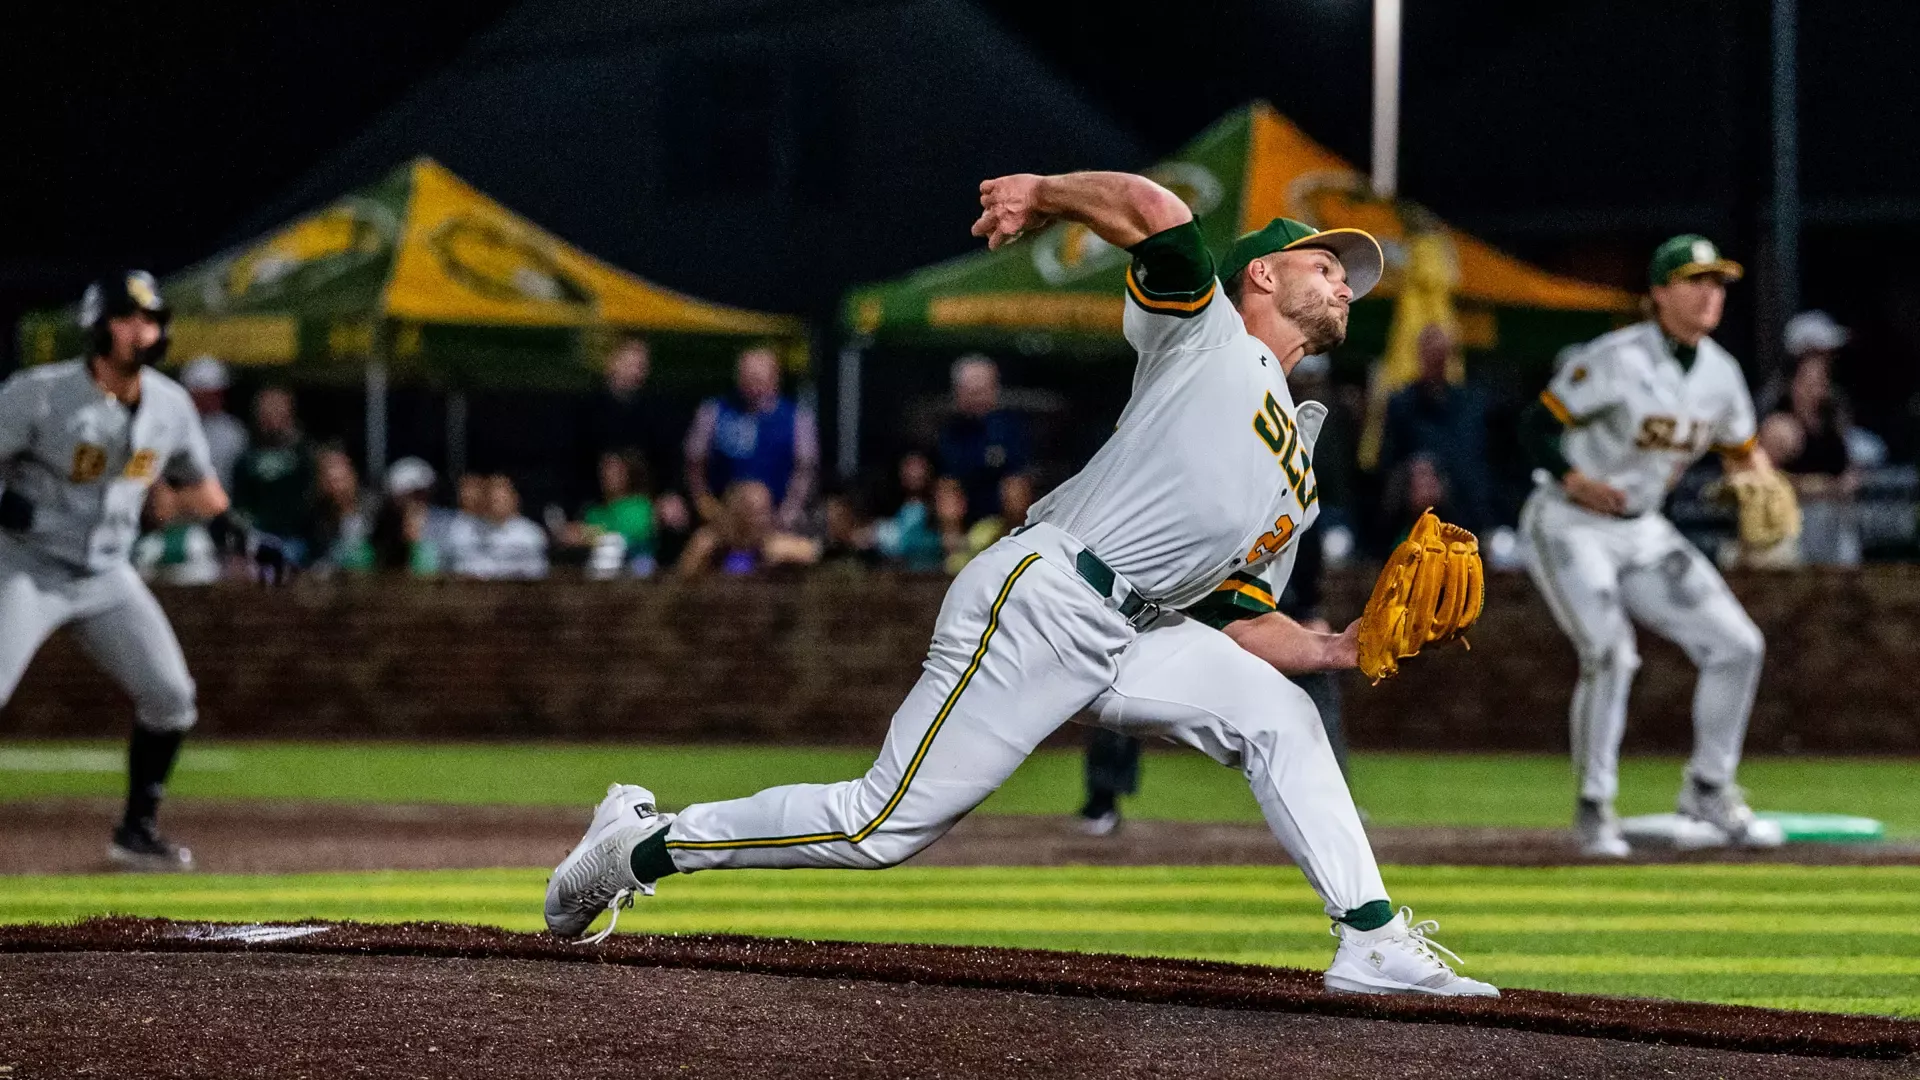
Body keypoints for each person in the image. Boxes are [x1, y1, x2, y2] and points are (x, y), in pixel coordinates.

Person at [547, 170, 1496, 998]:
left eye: (1346, 274)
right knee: (881, 826)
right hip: (1047, 599)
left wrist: (1334, 647)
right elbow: (1151, 207)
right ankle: (640, 843)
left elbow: (1239, 617)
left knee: (1277, 714)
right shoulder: (1205, 333)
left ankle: (1372, 939)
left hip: (1136, 634)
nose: (1343, 281)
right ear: (1263, 274)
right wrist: (1042, 196)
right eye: (1324, 263)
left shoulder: (1302, 466)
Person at [0, 271, 283, 871]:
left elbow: (198, 486)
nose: (142, 331)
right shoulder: (39, 393)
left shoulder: (171, 404)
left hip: (106, 572)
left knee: (172, 698)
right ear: (97, 327)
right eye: (128, 319)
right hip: (26, 564)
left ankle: (136, 831)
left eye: (150, 320)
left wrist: (244, 539)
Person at [1516, 235, 1784, 858]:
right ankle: (1594, 807)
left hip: (1644, 529)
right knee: (1612, 654)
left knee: (1738, 645)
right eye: (1696, 280)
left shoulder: (1721, 373)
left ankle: (1709, 789)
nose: (1711, 294)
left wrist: (1760, 482)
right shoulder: (1614, 357)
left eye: (1718, 282)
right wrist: (1575, 480)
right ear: (1659, 293)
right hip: (1569, 522)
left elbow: (1743, 453)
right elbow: (1535, 425)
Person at [1758, 314, 1865, 567]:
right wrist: (1821, 488)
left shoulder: (1834, 409)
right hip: (1796, 532)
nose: (1829, 361)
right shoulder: (1778, 416)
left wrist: (1848, 481)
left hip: (1837, 530)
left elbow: (1845, 461)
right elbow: (1762, 481)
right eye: (1820, 353)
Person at [684, 346, 818, 532]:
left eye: (758, 379)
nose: (753, 386)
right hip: (723, 520)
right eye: (747, 378)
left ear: (775, 379)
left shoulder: (798, 418)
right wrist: (705, 504)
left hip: (777, 521)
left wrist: (789, 513)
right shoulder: (713, 411)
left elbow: (805, 469)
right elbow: (694, 462)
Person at [1379, 325, 1492, 536]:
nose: (1435, 360)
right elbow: (1389, 461)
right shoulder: (1402, 404)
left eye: (1441, 354)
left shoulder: (1470, 404)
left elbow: (1478, 461)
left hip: (1466, 513)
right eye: (1430, 353)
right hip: (1411, 520)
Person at [937, 355, 1032, 523]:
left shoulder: (1009, 428)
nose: (978, 399)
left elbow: (1017, 477)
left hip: (1002, 516)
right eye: (972, 393)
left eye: (983, 391)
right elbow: (948, 479)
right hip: (966, 512)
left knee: (1014, 489)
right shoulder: (950, 432)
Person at [585, 337, 678, 507]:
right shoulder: (587, 409)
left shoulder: (656, 410)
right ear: (611, 363)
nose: (636, 372)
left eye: (641, 366)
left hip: (647, 500)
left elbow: (666, 459)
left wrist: (667, 495)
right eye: (630, 365)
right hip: (594, 501)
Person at [231, 386, 315, 563]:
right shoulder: (246, 457)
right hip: (257, 537)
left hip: (295, 537)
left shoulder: (303, 454)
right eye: (267, 411)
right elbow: (240, 500)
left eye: (277, 410)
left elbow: (310, 496)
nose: (272, 416)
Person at [674, 479, 820, 576]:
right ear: (735, 512)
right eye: (755, 513)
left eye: (766, 511)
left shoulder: (775, 545)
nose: (763, 520)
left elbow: (811, 552)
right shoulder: (709, 544)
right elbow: (681, 581)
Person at [444, 474, 549, 580]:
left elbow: (536, 573)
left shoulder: (530, 534)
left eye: (500, 499)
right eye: (491, 498)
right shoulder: (467, 530)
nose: (495, 504)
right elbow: (460, 568)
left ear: (514, 499)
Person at [179, 356, 248, 492]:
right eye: (204, 394)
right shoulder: (171, 427)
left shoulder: (234, 431)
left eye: (216, 393)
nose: (211, 400)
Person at [304, 444, 375, 574]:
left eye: (341, 480)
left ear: (353, 477)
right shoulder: (316, 514)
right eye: (331, 482)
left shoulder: (374, 508)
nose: (338, 488)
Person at [369, 457, 442, 576]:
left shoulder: (445, 525)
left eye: (422, 495)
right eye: (410, 496)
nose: (417, 503)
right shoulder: (381, 533)